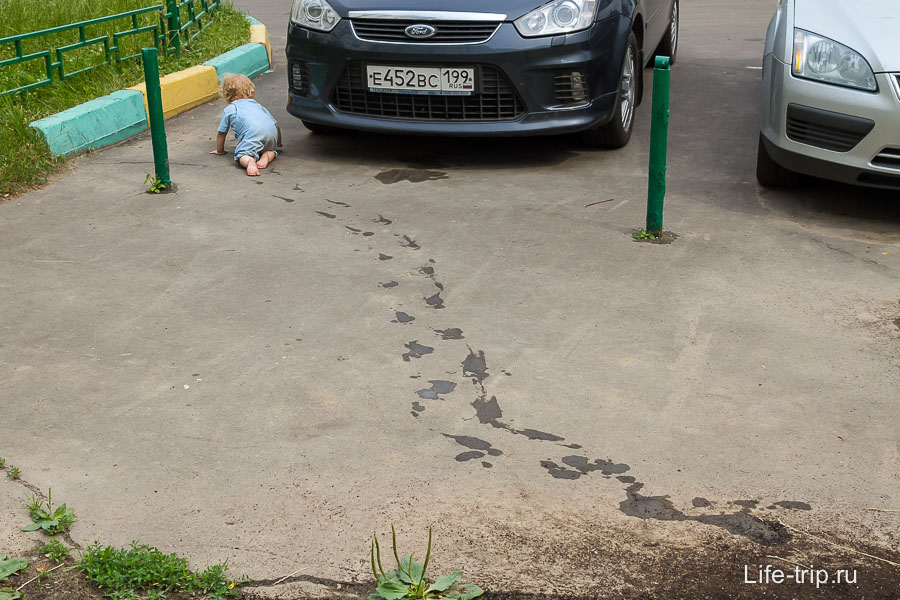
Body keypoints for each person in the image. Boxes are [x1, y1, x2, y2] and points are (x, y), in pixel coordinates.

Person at [210, 73, 282, 176]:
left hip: (253, 134)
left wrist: (220, 150)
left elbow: (221, 133)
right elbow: (275, 125)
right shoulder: (257, 105)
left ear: (226, 94)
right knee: (271, 151)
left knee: (243, 155)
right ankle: (267, 155)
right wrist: (278, 143)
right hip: (271, 134)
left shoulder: (230, 109)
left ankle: (250, 161)